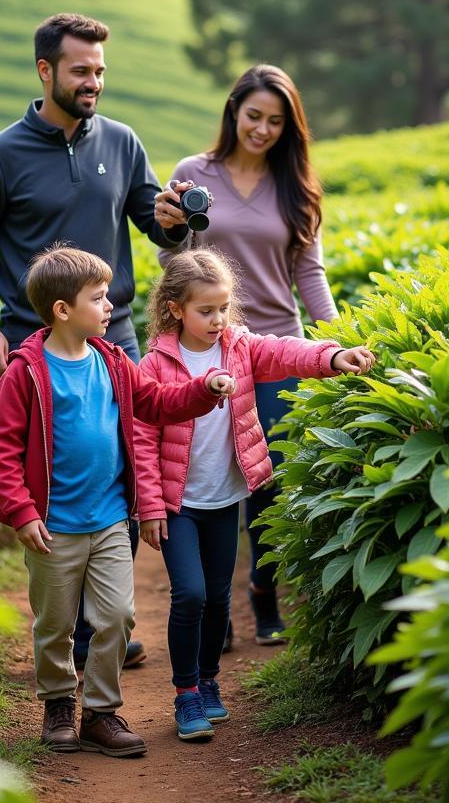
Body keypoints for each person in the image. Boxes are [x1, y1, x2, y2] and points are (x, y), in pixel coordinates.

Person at [0, 12, 192, 668]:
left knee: (124, 468)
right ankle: (75, 628)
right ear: (45, 70)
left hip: (115, 342)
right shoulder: (0, 155)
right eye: (82, 70)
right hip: (35, 348)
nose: (94, 83)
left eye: (101, 72)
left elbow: (156, 228)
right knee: (53, 476)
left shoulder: (123, 141)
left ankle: (102, 620)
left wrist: (173, 223)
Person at [0, 245, 235, 756]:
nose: (109, 307)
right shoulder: (25, 372)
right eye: (98, 299)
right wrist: (22, 512)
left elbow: (158, 403)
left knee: (117, 617)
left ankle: (101, 713)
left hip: (110, 521)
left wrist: (204, 389)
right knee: (54, 625)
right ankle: (58, 704)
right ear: (62, 310)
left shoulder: (113, 361)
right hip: (53, 527)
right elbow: (2, 449)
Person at [134, 249, 375, 741]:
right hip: (180, 504)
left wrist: (332, 356)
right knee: (191, 595)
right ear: (176, 309)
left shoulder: (240, 346)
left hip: (224, 498)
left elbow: (287, 352)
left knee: (219, 598)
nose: (218, 319)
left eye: (223, 308)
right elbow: (141, 436)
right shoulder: (155, 364)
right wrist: (151, 506)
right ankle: (185, 694)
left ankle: (208, 681)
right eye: (206, 311)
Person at [154, 64, 339, 648]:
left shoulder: (297, 187)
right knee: (210, 478)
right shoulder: (193, 174)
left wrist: (336, 337)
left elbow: (309, 273)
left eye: (275, 121)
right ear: (234, 111)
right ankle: (216, 606)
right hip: (207, 352)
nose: (262, 129)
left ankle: (263, 587)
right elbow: (175, 270)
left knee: (269, 481)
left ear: (289, 128)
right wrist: (172, 229)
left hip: (275, 351)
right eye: (254, 115)